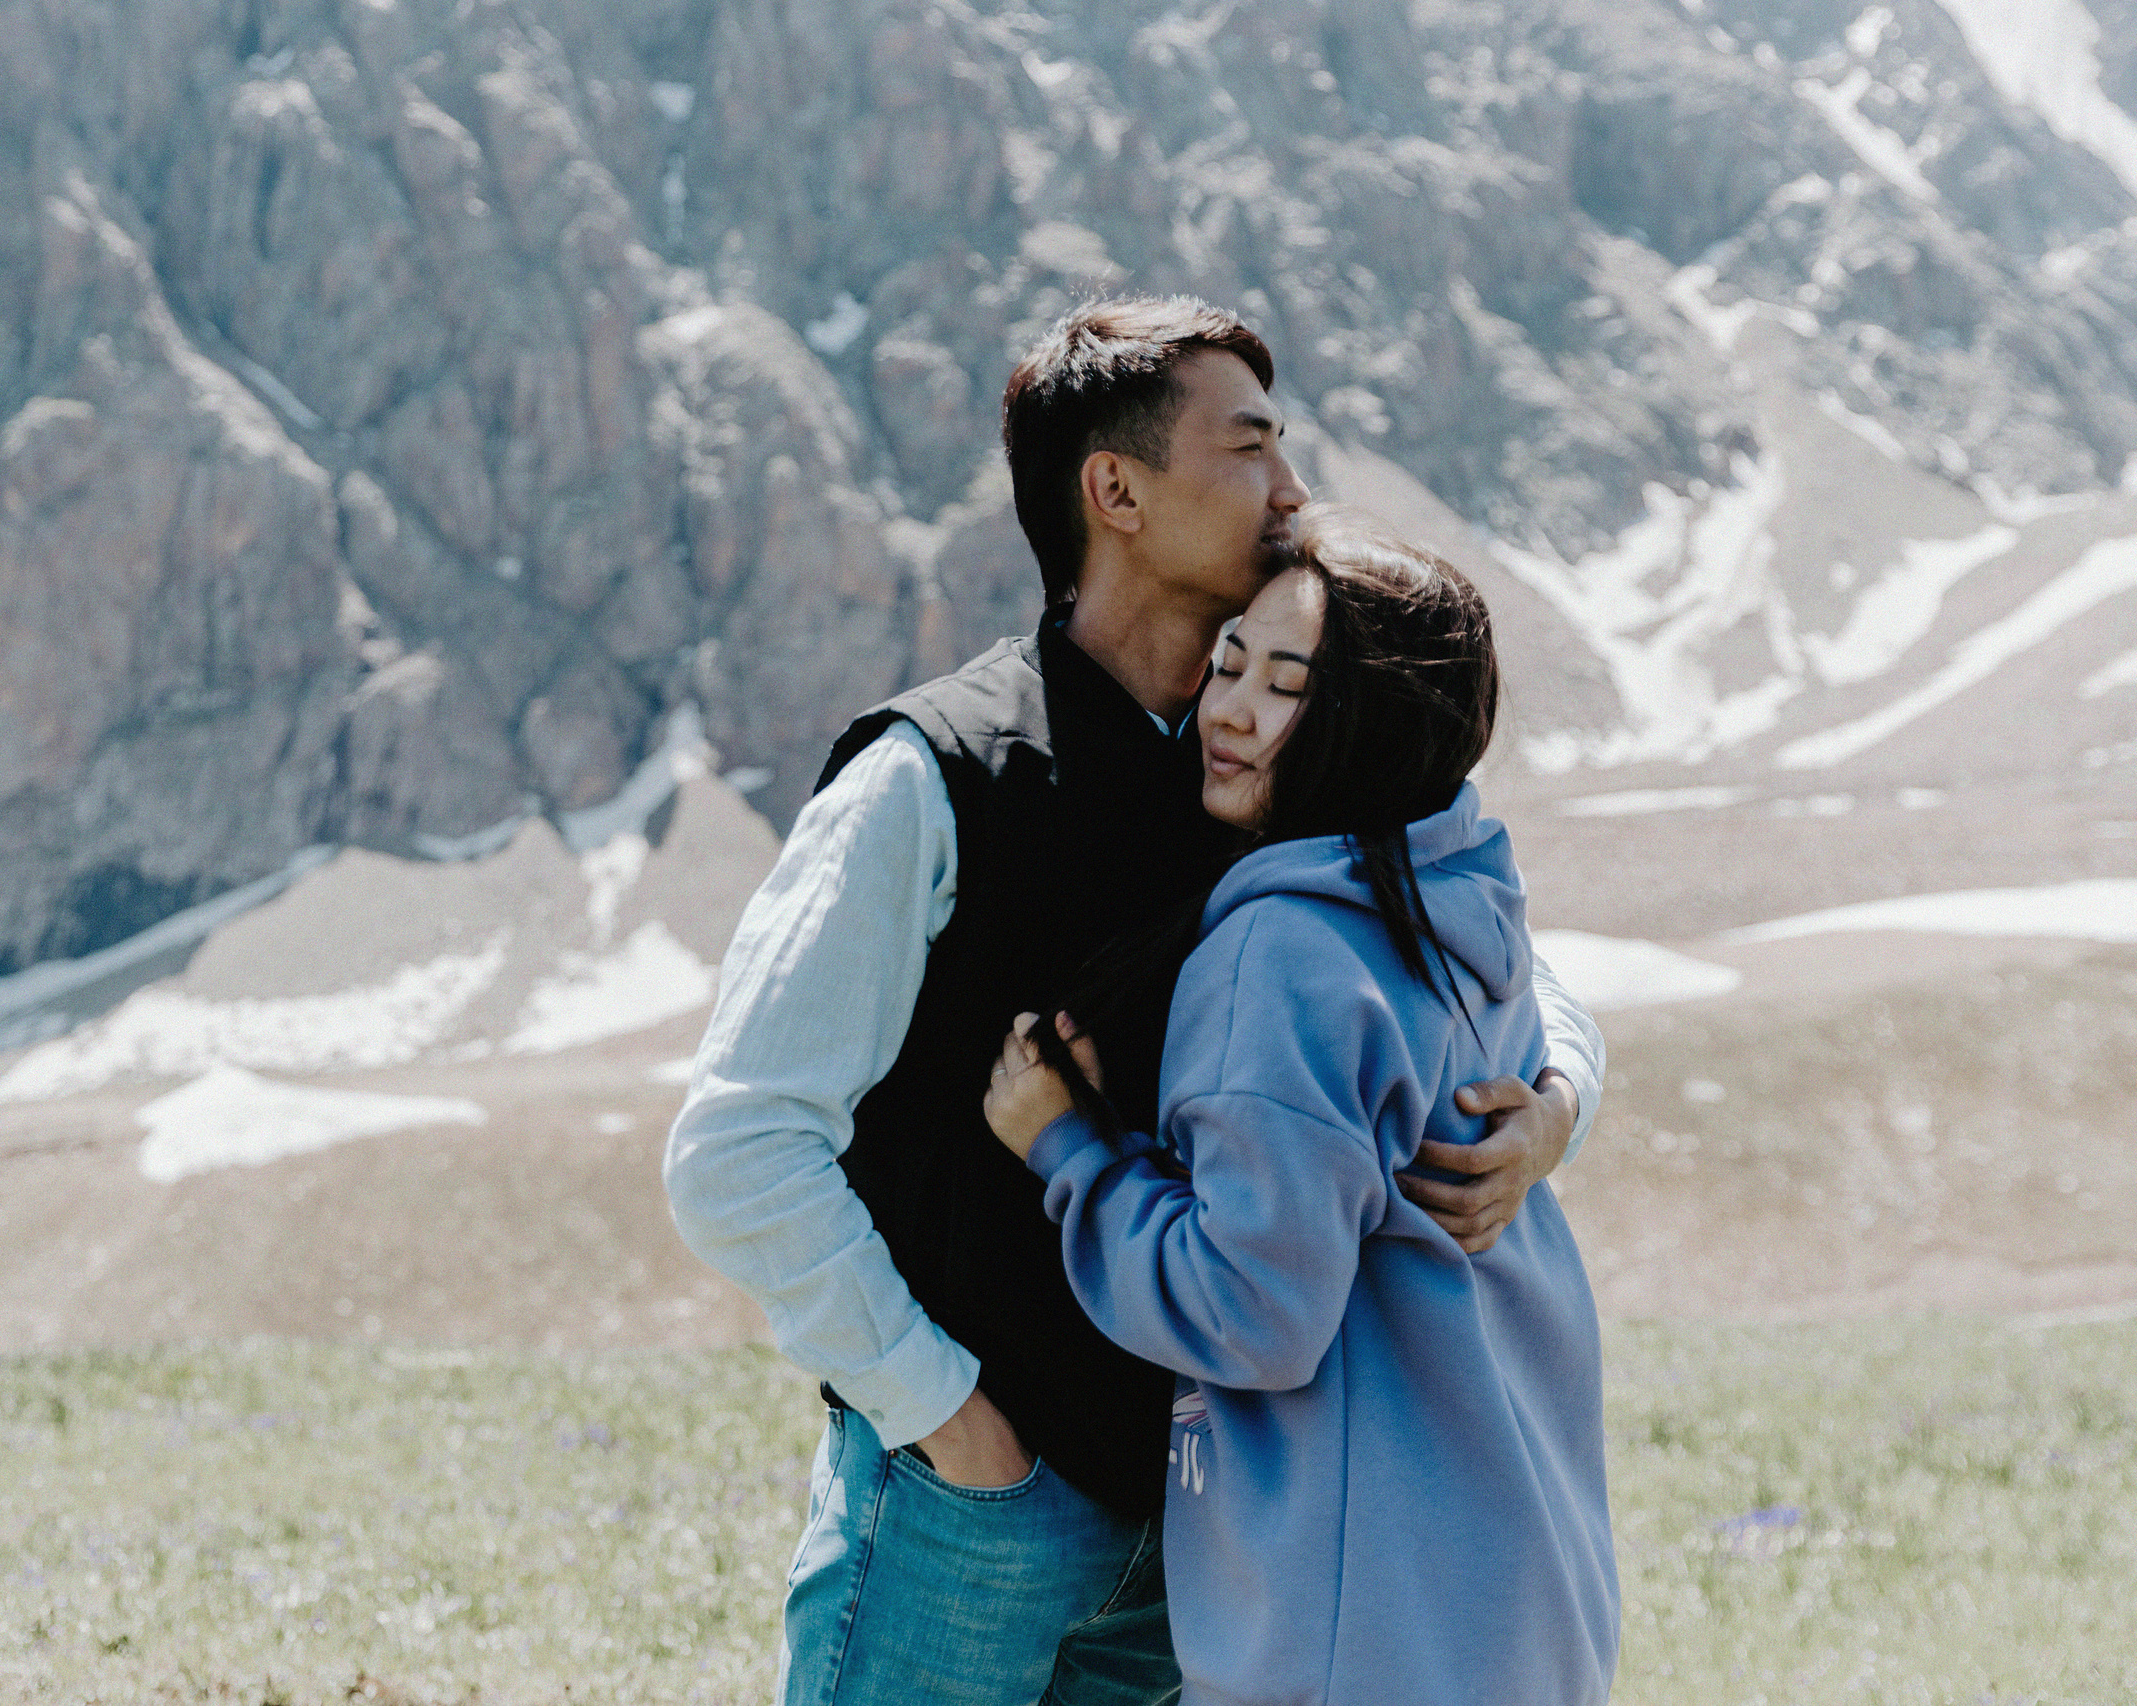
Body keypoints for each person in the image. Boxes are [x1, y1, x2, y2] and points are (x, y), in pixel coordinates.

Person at [663, 297, 1608, 1705]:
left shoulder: (1268, 762)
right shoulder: (932, 777)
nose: (1293, 488)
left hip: (1199, 1546)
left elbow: (1482, 954)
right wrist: (949, 1425)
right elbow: (736, 1150)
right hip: (970, 1513)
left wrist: (1551, 1107)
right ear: (1115, 490)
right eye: (1250, 447)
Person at [981, 511, 1619, 1705]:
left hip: (1358, 1626)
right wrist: (1561, 1105)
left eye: (1286, 686)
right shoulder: (1460, 883)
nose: (1227, 711)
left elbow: (1251, 1314)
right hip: (1518, 1585)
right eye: (1228, 664)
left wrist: (1070, 1153)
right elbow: (1552, 1005)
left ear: (1370, 717)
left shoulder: (1282, 950)